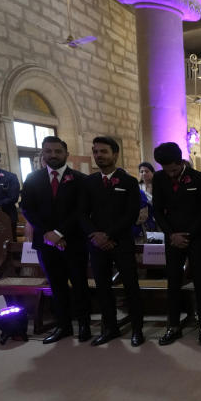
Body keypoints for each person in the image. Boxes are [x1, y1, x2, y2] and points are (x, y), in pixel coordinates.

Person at [20, 136, 91, 344]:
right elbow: (27, 208)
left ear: (66, 154)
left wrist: (60, 233)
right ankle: (63, 326)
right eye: (48, 151)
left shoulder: (79, 179)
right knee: (57, 286)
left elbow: (81, 211)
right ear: (43, 153)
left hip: (73, 241)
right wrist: (48, 233)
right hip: (45, 242)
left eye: (57, 151)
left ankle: (84, 324)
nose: (53, 155)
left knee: (79, 285)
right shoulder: (33, 179)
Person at [79, 136, 144, 347]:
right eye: (96, 152)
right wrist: (95, 235)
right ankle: (110, 328)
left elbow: (131, 213)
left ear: (114, 154)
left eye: (104, 152)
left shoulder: (129, 182)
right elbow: (81, 213)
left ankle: (137, 329)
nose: (99, 156)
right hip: (96, 244)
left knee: (131, 287)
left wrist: (109, 235)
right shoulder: (88, 182)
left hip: (121, 242)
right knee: (103, 288)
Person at [151, 142, 201, 347]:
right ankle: (173, 326)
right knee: (173, 283)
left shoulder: (198, 178)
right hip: (172, 239)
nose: (170, 174)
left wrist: (188, 234)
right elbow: (158, 211)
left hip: (194, 238)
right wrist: (171, 234)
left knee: (200, 283)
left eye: (174, 170)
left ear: (181, 162)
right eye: (166, 170)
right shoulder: (159, 179)